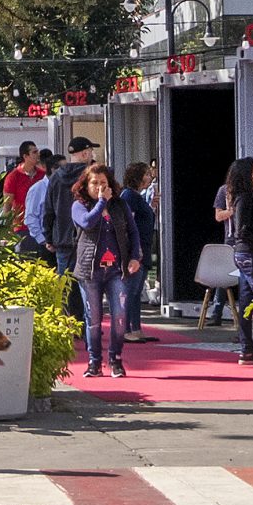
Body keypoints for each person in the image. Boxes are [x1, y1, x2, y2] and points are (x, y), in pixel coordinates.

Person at [69, 163, 140, 377]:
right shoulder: (79, 206)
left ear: (110, 184)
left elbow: (133, 232)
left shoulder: (120, 205)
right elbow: (87, 223)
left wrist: (135, 256)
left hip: (117, 269)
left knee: (119, 316)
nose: (99, 187)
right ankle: (94, 361)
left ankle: (115, 359)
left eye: (103, 183)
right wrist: (101, 202)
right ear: (85, 185)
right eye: (94, 183)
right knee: (93, 318)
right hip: (90, 271)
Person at [214, 157, 253, 367]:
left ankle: (247, 349)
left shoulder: (246, 196)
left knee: (247, 302)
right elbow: (242, 228)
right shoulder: (246, 197)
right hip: (250, 254)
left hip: (246, 254)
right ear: (246, 176)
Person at [49, 139, 98, 319]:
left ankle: (69, 322)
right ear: (84, 153)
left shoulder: (55, 177)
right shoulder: (91, 177)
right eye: (90, 151)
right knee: (89, 287)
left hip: (62, 240)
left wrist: (49, 238)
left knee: (66, 287)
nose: (92, 154)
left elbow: (48, 210)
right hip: (88, 238)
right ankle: (88, 325)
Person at [121, 161, 158, 340]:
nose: (149, 177)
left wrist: (151, 207)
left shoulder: (137, 196)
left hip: (143, 246)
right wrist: (134, 250)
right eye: (146, 174)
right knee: (131, 290)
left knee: (136, 291)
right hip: (137, 250)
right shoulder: (129, 196)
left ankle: (135, 328)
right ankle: (126, 329)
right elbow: (128, 224)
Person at [21, 154, 58, 263]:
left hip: (61, 244)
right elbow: (30, 217)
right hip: (43, 245)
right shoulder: (38, 188)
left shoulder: (62, 188)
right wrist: (44, 240)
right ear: (53, 169)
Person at [2, 142, 44, 238]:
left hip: (41, 227)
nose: (38, 154)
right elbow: (7, 205)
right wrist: (7, 230)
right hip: (22, 228)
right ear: (25, 156)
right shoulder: (13, 177)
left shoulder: (42, 175)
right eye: (34, 152)